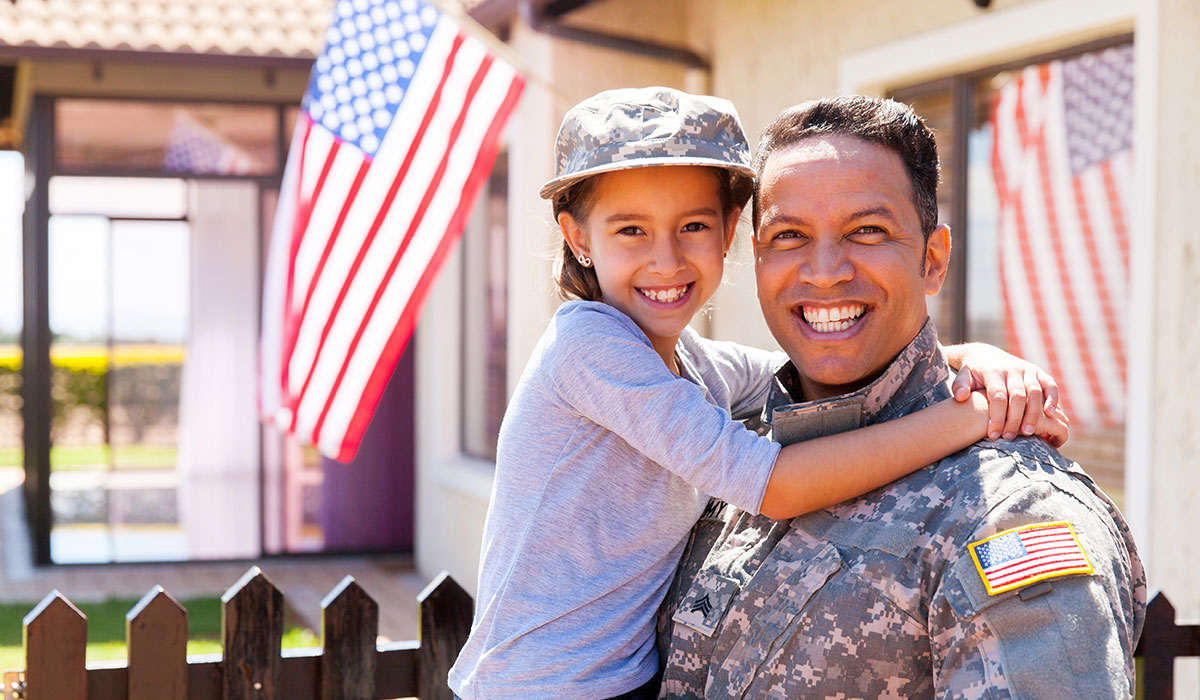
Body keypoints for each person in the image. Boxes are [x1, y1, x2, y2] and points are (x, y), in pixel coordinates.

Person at [447, 87, 1067, 700]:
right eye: (630, 230)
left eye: (692, 225)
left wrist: (975, 356)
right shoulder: (588, 347)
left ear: (727, 235)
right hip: (541, 686)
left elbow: (825, 349)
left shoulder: (686, 364)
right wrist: (972, 416)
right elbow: (771, 484)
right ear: (579, 238)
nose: (665, 260)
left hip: (616, 681)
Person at [656, 95, 1145, 699]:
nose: (826, 270)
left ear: (933, 260)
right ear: (756, 258)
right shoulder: (730, 452)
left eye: (868, 230)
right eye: (788, 235)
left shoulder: (1009, 512)